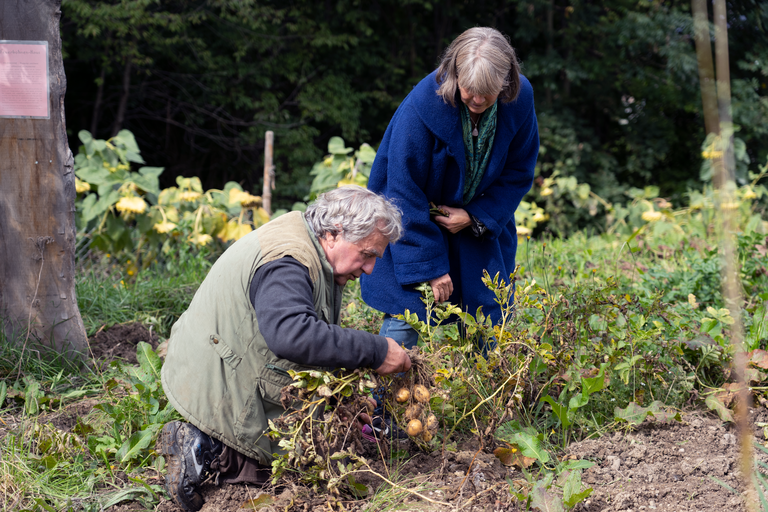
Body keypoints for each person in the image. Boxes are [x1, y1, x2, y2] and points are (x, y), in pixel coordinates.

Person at [157, 186, 411, 511]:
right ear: (334, 234)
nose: (370, 268)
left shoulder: (307, 239)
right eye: (368, 253)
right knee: (280, 471)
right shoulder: (288, 261)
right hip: (214, 377)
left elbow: (306, 332)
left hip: (217, 359)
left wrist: (338, 399)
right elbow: (292, 334)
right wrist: (376, 351)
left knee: (305, 451)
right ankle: (205, 449)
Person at [360, 27, 539, 349]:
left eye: (490, 91)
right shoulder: (421, 107)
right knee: (405, 320)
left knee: (487, 321)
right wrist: (428, 267)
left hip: (477, 226)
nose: (479, 99)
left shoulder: (519, 98)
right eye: (471, 90)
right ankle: (384, 397)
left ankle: (484, 393)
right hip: (415, 224)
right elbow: (399, 191)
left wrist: (475, 216)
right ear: (455, 77)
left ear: (507, 80)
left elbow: (519, 171)